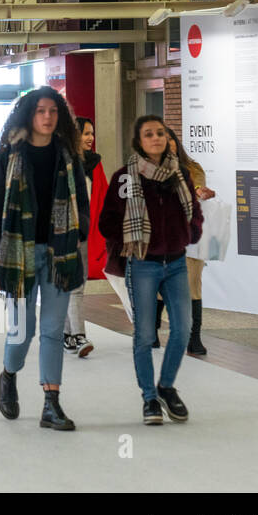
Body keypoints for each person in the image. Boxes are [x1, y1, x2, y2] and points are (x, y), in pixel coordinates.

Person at [0, 87, 89, 431]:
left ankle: (51, 403)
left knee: (54, 330)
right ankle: (9, 374)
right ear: (29, 114)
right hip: (18, 255)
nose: (47, 117)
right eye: (41, 111)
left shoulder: (68, 155)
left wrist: (79, 232)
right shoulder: (7, 156)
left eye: (53, 111)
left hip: (60, 253)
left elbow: (81, 202)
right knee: (21, 331)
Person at [99, 115, 203, 426]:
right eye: (148, 134)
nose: (156, 138)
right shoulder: (125, 177)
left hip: (176, 263)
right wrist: (129, 241)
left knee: (182, 330)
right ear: (138, 141)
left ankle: (166, 387)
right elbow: (107, 221)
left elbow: (194, 212)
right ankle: (149, 399)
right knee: (145, 335)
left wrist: (191, 232)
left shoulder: (180, 174)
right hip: (143, 263)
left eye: (160, 133)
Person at [163, 127, 216, 356]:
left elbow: (196, 188)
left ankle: (194, 337)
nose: (167, 144)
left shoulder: (193, 168)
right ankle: (153, 332)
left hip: (191, 237)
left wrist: (199, 191)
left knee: (192, 285)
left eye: (170, 140)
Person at [63, 117, 107, 359]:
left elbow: (100, 197)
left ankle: (68, 335)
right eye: (85, 133)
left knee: (73, 286)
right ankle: (79, 335)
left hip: (83, 233)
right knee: (75, 286)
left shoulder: (94, 164)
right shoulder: (63, 162)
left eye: (92, 133)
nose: (90, 138)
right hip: (61, 233)